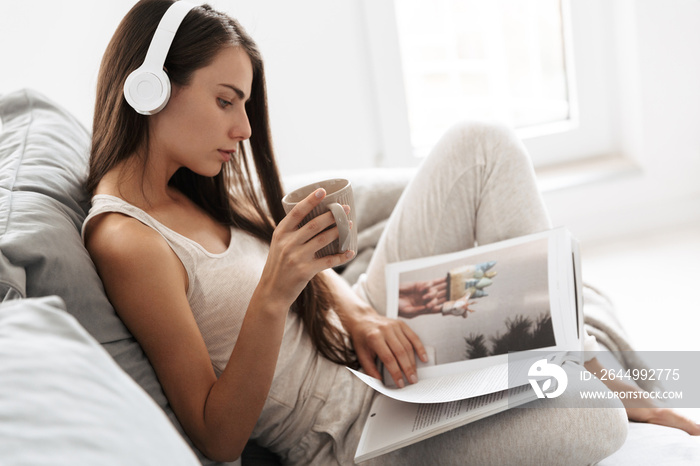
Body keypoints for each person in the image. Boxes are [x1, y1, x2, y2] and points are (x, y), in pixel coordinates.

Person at [82, 1, 700, 464]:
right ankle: (579, 362)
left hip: (372, 341)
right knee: (594, 420)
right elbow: (217, 437)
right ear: (151, 85)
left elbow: (311, 279)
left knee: (481, 144)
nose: (244, 128)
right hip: (357, 431)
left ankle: (574, 350)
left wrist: (360, 317)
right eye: (226, 101)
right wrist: (274, 294)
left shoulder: (192, 182)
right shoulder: (127, 241)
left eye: (243, 104)